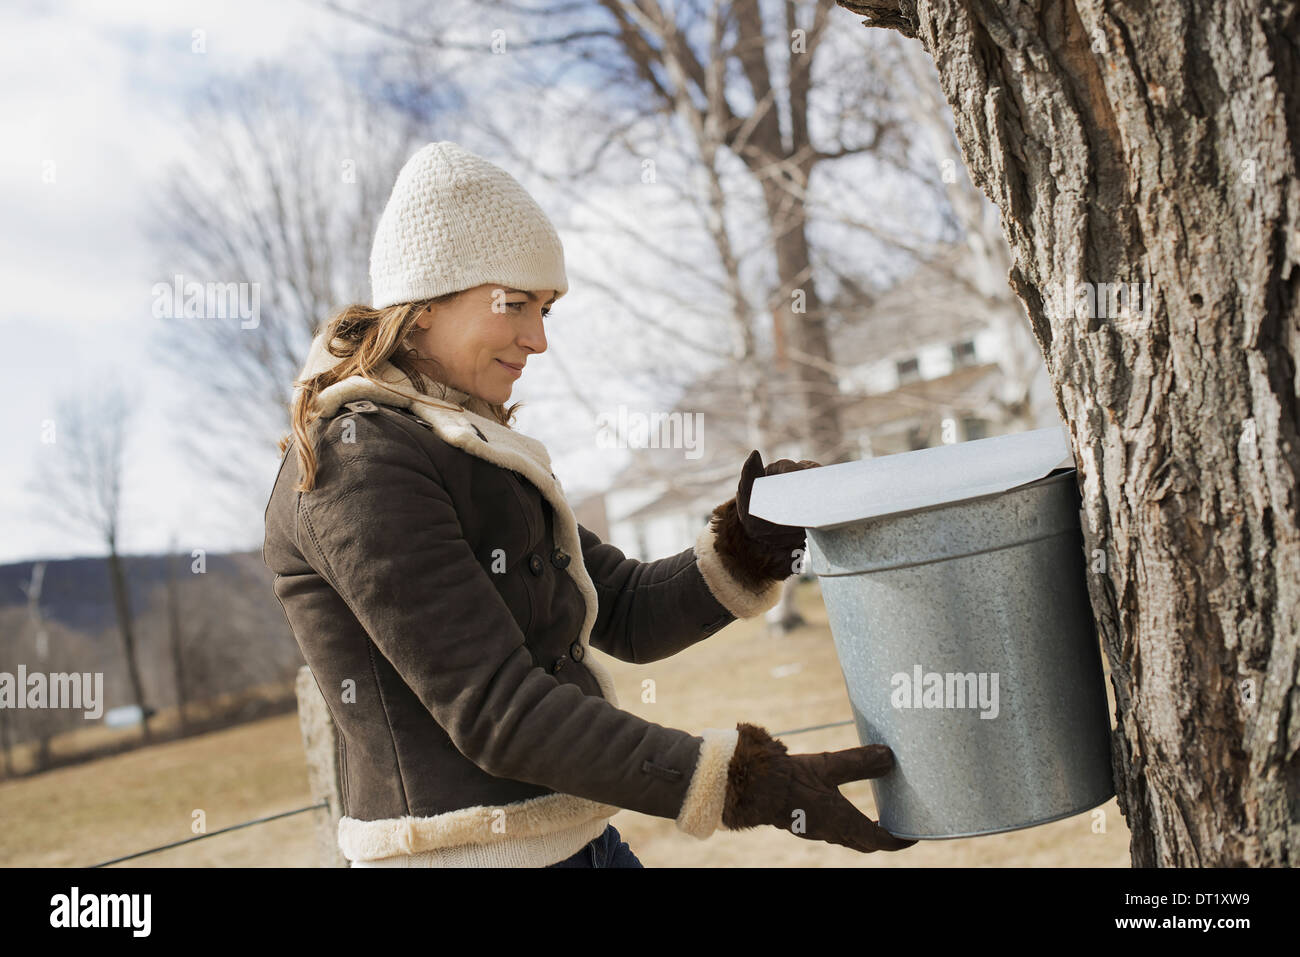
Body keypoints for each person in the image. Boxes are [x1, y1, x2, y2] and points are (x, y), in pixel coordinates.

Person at [262, 140, 916, 867]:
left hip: (583, 846)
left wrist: (750, 542)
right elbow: (496, 709)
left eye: (546, 309)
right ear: (419, 310)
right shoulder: (358, 461)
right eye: (516, 304)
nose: (538, 339)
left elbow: (628, 610)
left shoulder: (470, 447)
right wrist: (741, 781)